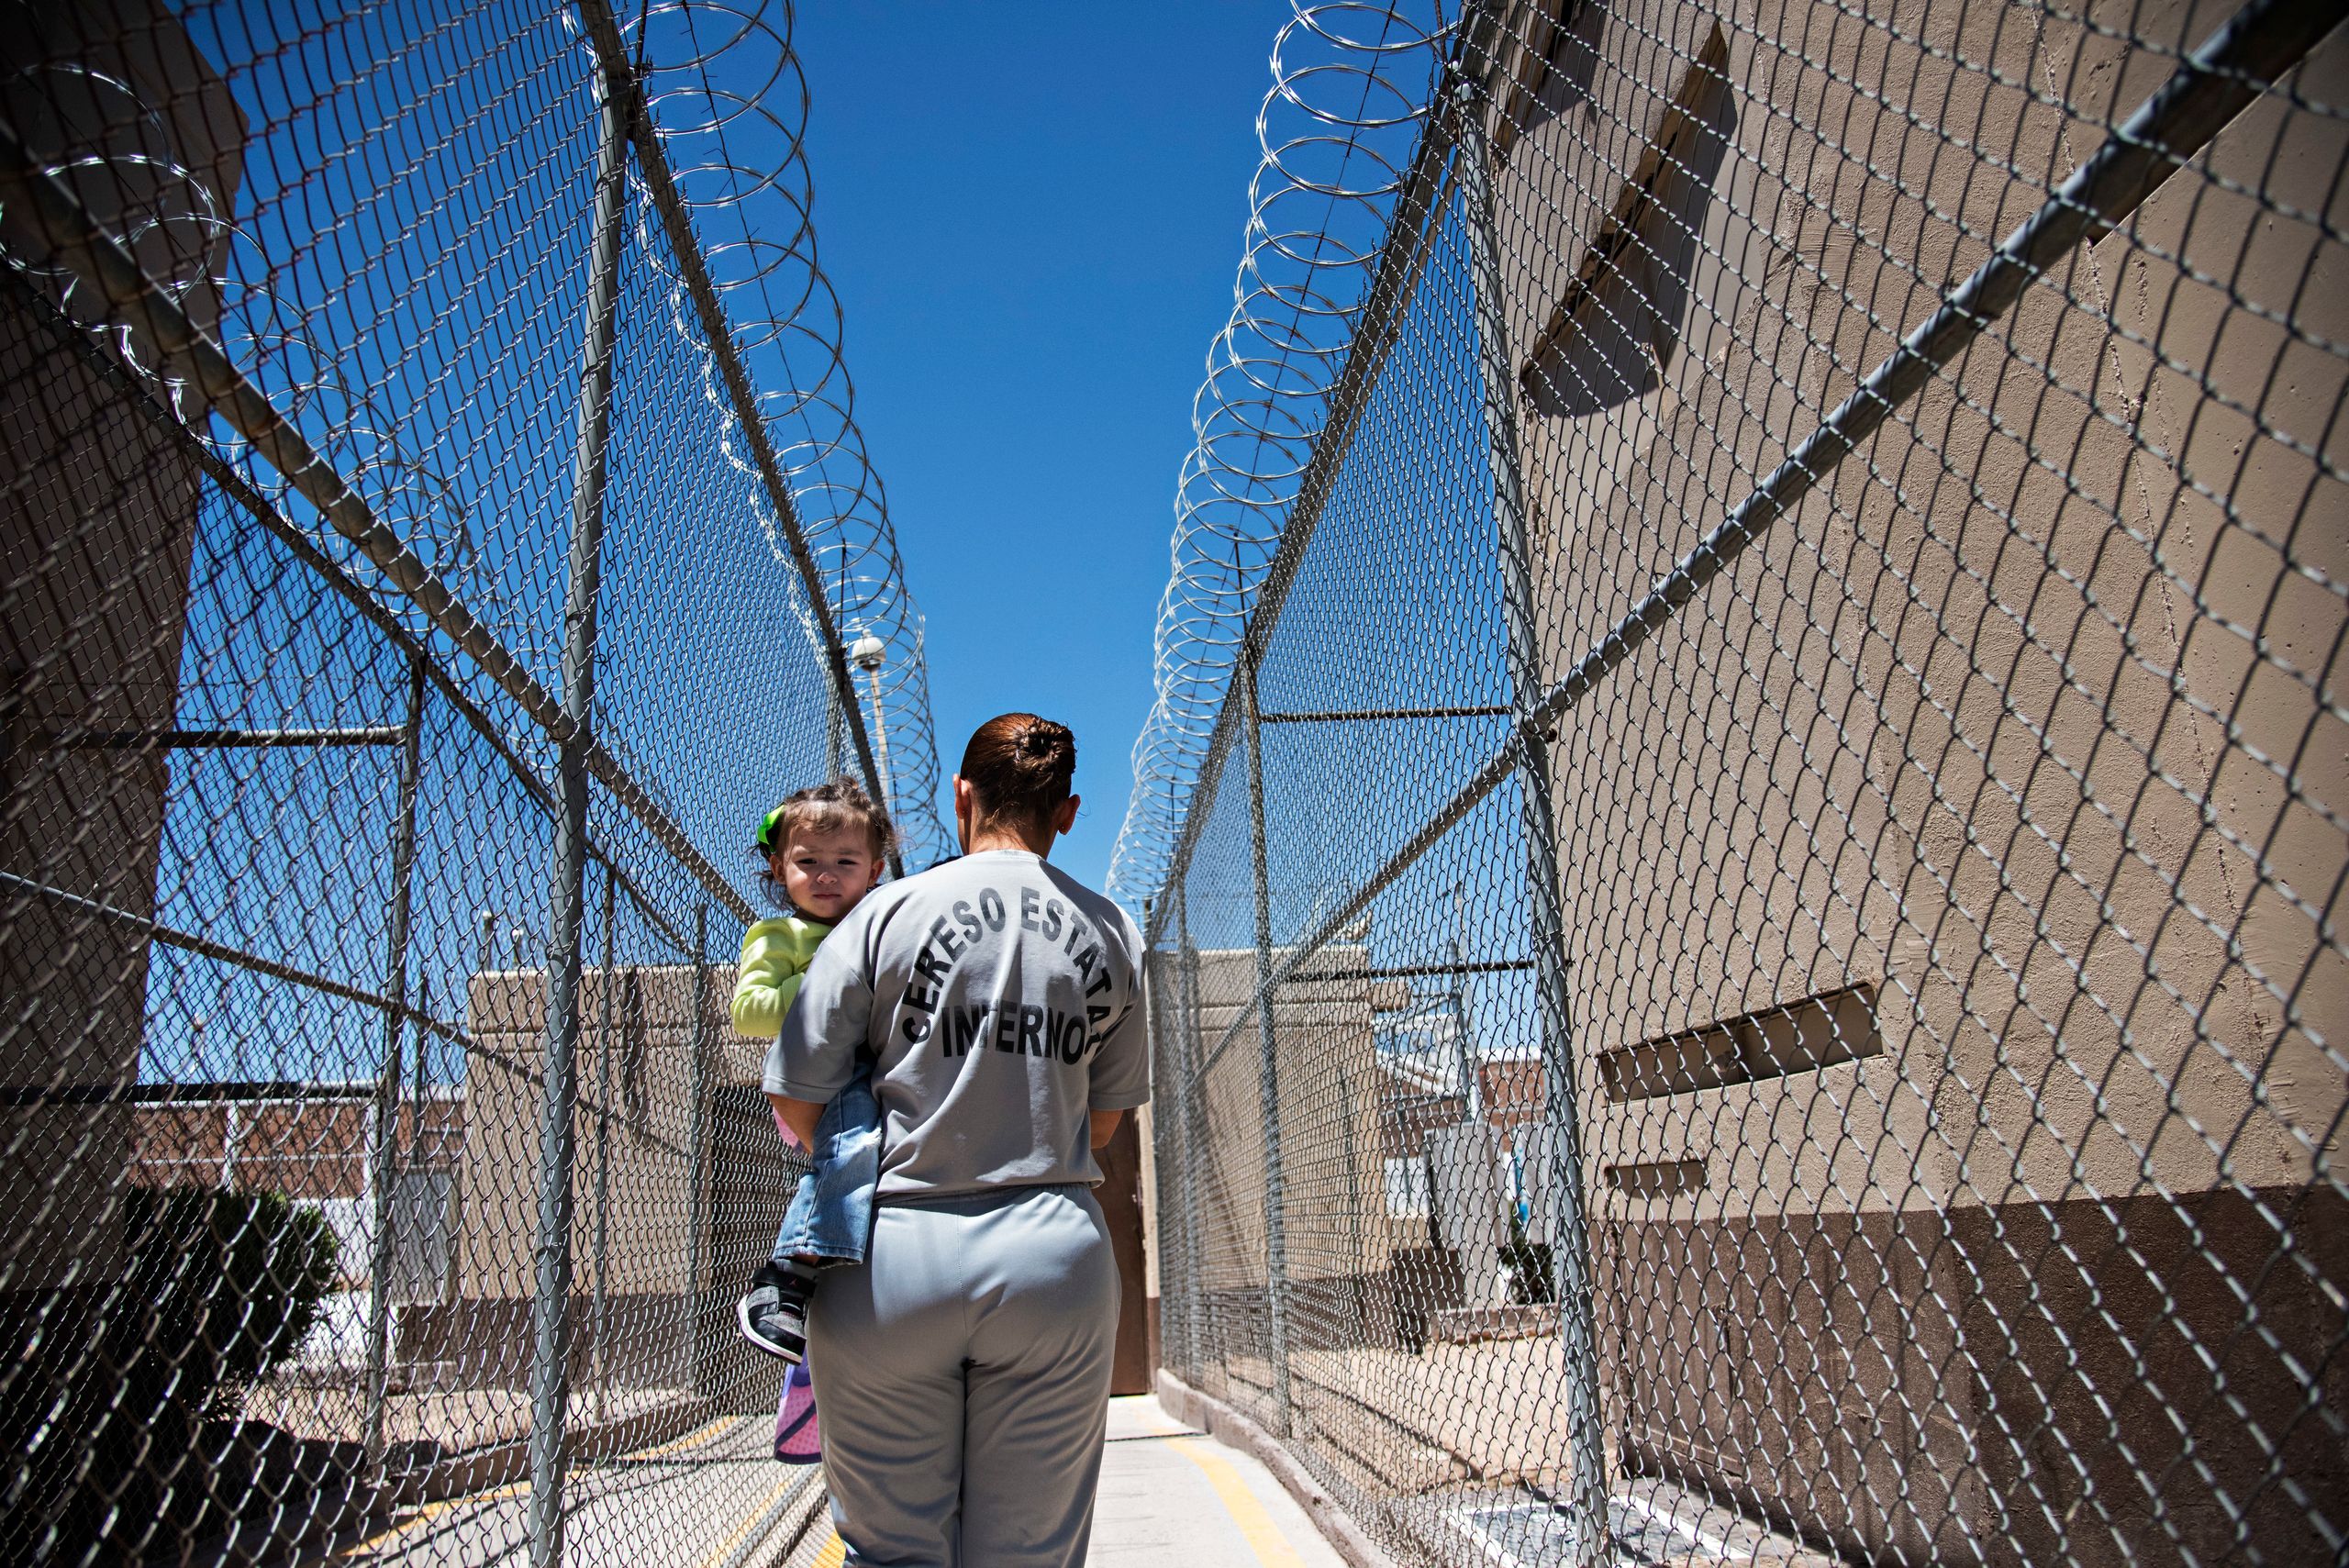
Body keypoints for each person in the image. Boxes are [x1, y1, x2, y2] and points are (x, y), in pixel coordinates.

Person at [769, 713, 1148, 1568]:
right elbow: (1103, 1124)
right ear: (1069, 812)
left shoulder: (885, 914)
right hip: (1051, 1257)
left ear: (962, 796)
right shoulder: (1113, 931)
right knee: (1028, 1555)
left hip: (889, 1256)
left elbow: (796, 1096)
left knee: (892, 1551)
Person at [731, 778, 893, 1363]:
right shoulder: (781, 936)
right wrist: (830, 977)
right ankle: (788, 1274)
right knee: (852, 1141)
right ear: (779, 869)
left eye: (845, 861)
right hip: (821, 1078)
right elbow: (749, 1012)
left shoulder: (880, 922)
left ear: (874, 870)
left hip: (876, 1066)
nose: (827, 876)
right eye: (808, 862)